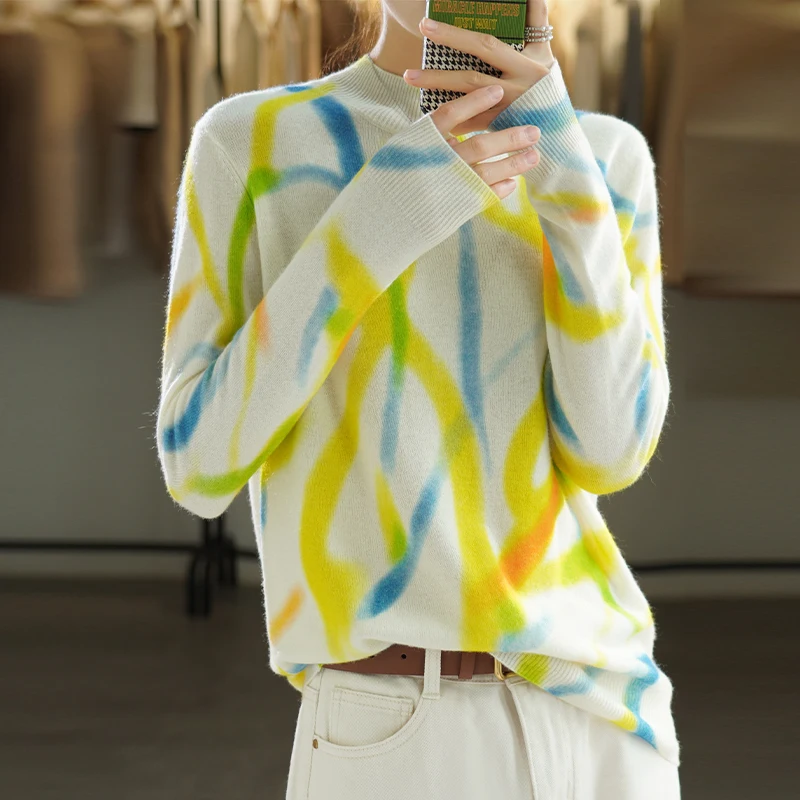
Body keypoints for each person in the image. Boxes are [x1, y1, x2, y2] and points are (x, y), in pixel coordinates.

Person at [155, 0, 681, 796]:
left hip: (606, 721)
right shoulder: (254, 143)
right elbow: (197, 467)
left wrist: (563, 173)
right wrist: (382, 217)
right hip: (394, 719)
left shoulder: (603, 153)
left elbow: (611, 454)